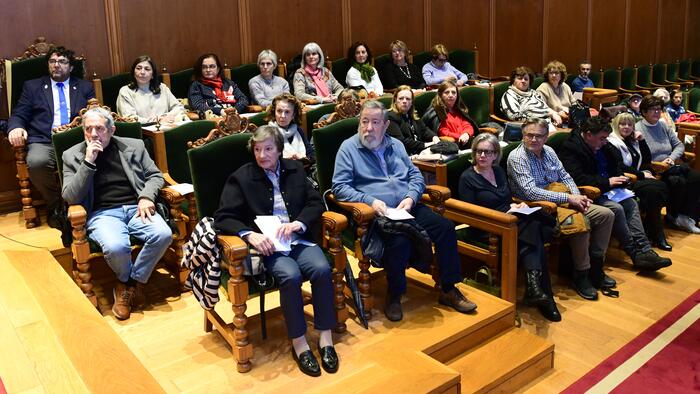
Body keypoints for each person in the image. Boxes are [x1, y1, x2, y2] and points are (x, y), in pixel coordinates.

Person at [332, 100, 477, 322]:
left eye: (375, 122)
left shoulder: (396, 146)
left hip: (406, 208)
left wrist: (411, 197)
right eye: (364, 122)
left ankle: (448, 289)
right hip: (376, 216)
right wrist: (370, 201)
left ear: (386, 124)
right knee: (399, 241)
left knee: (445, 228)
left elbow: (415, 176)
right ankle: (395, 294)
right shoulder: (348, 148)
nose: (369, 128)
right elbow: (339, 188)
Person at [214, 126, 338, 377]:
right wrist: (250, 235)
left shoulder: (295, 169)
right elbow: (223, 217)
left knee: (322, 268)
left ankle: (326, 337)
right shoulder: (242, 177)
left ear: (279, 150)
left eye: (268, 149)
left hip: (298, 240)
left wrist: (299, 223)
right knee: (290, 276)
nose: (262, 155)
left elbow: (315, 202)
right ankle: (299, 343)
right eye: (257, 150)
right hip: (270, 248)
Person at [61, 107, 172, 320]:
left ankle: (127, 284)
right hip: (103, 214)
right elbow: (71, 196)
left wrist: (146, 197)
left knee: (163, 234)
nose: (94, 134)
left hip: (136, 207)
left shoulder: (134, 146)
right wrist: (88, 162)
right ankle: (129, 283)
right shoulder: (72, 156)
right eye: (88, 129)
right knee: (116, 246)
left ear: (111, 130)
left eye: (100, 129)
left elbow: (155, 176)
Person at [507, 119, 614, 300]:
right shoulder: (517, 157)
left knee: (607, 215)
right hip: (539, 208)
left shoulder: (549, 151)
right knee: (581, 222)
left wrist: (576, 196)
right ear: (523, 136)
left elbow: (565, 176)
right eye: (529, 135)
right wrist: (568, 198)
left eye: (539, 136)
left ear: (546, 136)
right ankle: (581, 274)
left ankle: (596, 268)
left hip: (563, 199)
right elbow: (531, 192)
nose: (533, 139)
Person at [459, 133, 560, 321]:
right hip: (486, 225)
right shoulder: (468, 177)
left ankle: (536, 288)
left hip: (512, 220)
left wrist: (517, 206)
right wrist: (504, 215)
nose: (483, 156)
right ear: (474, 153)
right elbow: (470, 212)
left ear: (496, 154)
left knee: (532, 229)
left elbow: (507, 199)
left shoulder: (498, 171)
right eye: (479, 151)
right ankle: (542, 295)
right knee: (536, 227)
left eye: (488, 152)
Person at [558, 116, 672, 271]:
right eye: (602, 139)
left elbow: (616, 164)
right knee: (616, 208)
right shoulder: (571, 148)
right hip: (590, 193)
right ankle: (635, 253)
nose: (605, 142)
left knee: (630, 202)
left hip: (610, 190)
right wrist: (607, 182)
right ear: (589, 134)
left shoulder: (602, 145)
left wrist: (618, 178)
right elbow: (577, 178)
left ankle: (645, 250)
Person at [7, 46, 95, 226]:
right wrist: (15, 128)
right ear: (48, 65)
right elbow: (19, 114)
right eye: (52, 61)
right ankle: (56, 206)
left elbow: (94, 113)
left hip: (74, 139)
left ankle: (82, 203)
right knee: (36, 162)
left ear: (70, 67)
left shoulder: (85, 87)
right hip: (43, 139)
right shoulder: (32, 87)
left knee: (92, 159)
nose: (57, 65)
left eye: (62, 62)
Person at [607, 112, 671, 250]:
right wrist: (641, 174)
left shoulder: (631, 140)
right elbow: (620, 166)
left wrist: (641, 141)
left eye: (630, 124)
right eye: (622, 124)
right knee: (654, 190)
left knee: (660, 187)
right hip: (625, 180)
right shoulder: (612, 142)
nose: (626, 127)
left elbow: (647, 160)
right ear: (616, 125)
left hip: (636, 177)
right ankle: (656, 233)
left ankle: (653, 231)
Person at [636, 95, 700, 233]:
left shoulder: (663, 125)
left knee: (696, 177)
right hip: (654, 169)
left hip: (670, 165)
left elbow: (679, 145)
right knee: (677, 181)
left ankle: (687, 216)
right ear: (644, 111)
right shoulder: (638, 129)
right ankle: (673, 216)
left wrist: (671, 158)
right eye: (653, 109)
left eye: (659, 109)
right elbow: (640, 156)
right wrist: (660, 164)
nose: (657, 112)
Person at [116, 55, 186, 124]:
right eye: (138, 68)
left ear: (152, 75)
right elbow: (130, 118)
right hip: (142, 132)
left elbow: (178, 107)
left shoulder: (162, 88)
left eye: (147, 69)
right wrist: (155, 121)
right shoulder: (125, 91)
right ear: (133, 73)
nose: (142, 72)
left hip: (167, 127)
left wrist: (166, 116)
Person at [421, 80, 479, 148]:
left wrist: (466, 134)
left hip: (465, 140)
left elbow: (467, 125)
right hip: (450, 144)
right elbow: (443, 131)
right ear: (441, 95)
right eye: (447, 92)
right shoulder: (436, 111)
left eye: (453, 92)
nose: (451, 95)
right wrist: (460, 137)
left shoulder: (459, 109)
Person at [387, 85, 440, 155]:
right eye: (401, 98)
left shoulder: (411, 115)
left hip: (420, 152)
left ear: (412, 102)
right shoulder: (390, 117)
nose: (404, 101)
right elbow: (401, 141)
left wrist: (434, 137)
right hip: (405, 156)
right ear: (395, 100)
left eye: (408, 99)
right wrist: (426, 145)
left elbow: (424, 130)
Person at [265, 93, 314, 164]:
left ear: (293, 115)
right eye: (279, 111)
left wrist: (303, 159)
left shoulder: (298, 130)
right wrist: (286, 161)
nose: (282, 116)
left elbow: (312, 155)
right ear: (274, 112)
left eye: (287, 112)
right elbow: (266, 160)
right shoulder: (267, 133)